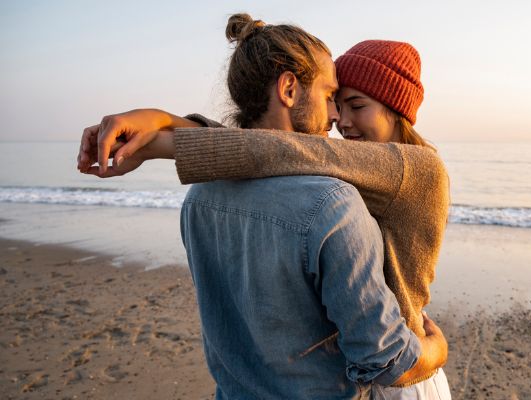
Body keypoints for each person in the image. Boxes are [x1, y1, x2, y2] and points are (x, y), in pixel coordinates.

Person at [78, 16, 452, 399]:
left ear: (397, 109)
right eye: (332, 100)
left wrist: (164, 133)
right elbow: (278, 150)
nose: (339, 119)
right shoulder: (333, 202)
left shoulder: (200, 198)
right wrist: (438, 351)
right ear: (289, 88)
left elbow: (280, 149)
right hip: (401, 365)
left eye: (355, 104)